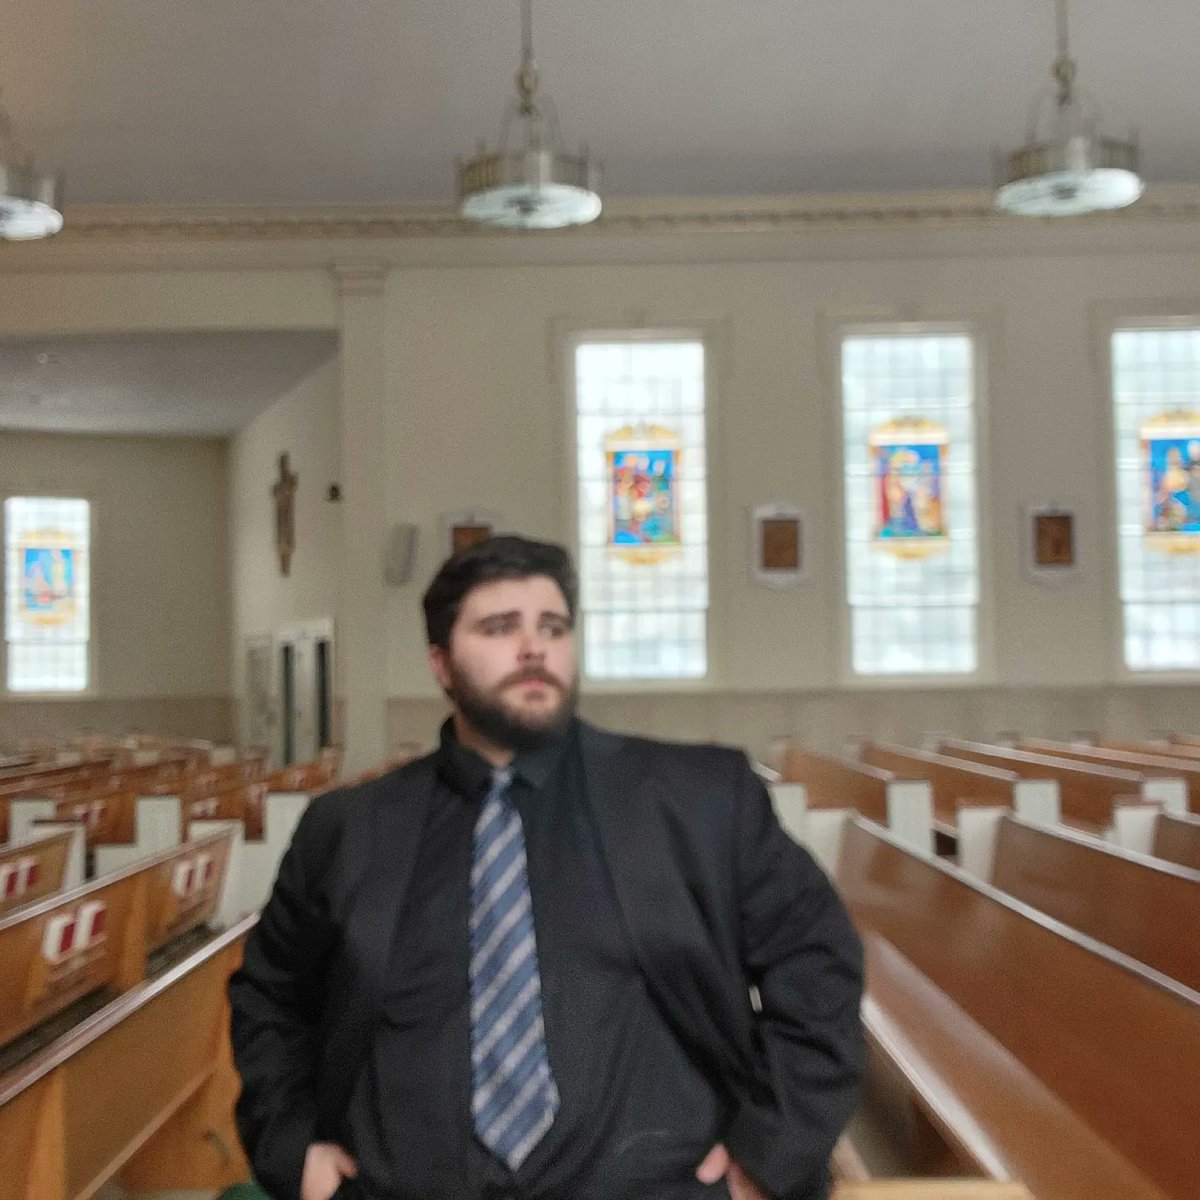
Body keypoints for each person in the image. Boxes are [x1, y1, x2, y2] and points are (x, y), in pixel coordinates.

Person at [229, 535, 864, 1200]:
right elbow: (269, 995)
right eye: (500, 628)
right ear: (441, 665)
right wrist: (292, 1145)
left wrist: (769, 1153)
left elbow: (818, 964)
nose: (534, 647)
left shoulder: (699, 799)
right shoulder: (351, 829)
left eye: (553, 627)